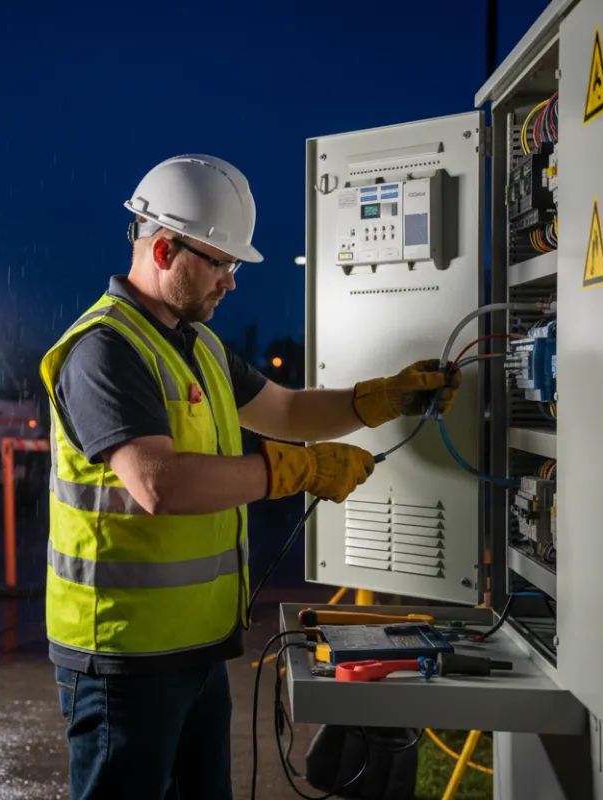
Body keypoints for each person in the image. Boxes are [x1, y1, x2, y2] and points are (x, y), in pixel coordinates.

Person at [38, 154, 460, 800]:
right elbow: (159, 484)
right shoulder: (105, 350)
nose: (231, 282)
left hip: (198, 653)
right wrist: (298, 470)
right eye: (221, 262)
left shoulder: (196, 345)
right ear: (163, 249)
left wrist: (383, 399)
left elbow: (287, 410)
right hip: (121, 662)